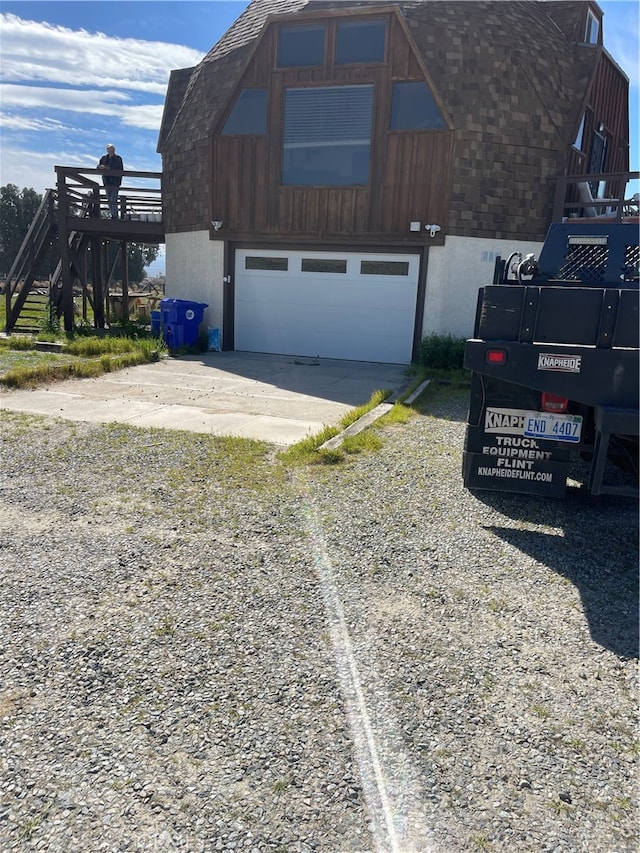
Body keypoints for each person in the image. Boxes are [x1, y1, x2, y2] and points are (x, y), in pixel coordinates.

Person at [97, 143, 123, 219]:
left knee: (113, 199)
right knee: (109, 199)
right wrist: (100, 167)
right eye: (110, 150)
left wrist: (108, 168)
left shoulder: (118, 158)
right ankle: (113, 215)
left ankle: (115, 216)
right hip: (107, 181)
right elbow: (98, 167)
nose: (111, 151)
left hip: (115, 182)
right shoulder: (104, 158)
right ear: (107, 150)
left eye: (112, 150)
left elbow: (120, 170)